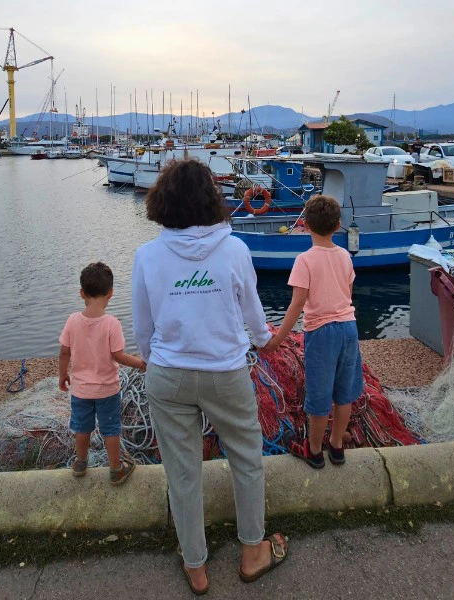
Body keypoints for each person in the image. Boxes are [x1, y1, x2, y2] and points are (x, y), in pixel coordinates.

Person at [131, 159, 288, 594]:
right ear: (211, 199)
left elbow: (143, 330)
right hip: (225, 372)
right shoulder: (235, 249)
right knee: (246, 458)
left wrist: (156, 361)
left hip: (168, 374)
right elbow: (254, 317)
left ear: (162, 201)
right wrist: (263, 340)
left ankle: (196, 565)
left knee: (182, 472)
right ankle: (253, 551)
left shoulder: (147, 256)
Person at [262, 195, 364, 469]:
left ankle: (315, 450)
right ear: (338, 225)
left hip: (321, 332)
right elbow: (348, 294)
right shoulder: (345, 256)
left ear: (305, 225)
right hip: (349, 328)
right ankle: (337, 445)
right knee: (345, 393)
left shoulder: (304, 260)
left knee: (319, 394)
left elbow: (297, 304)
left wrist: (277, 339)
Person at [58, 262, 146, 485]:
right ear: (110, 293)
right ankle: (115, 469)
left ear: (82, 293)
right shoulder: (111, 323)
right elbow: (118, 355)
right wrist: (141, 363)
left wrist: (62, 375)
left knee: (81, 426)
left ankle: (80, 463)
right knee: (111, 429)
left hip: (81, 390)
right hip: (107, 389)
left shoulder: (72, 321)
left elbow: (64, 352)